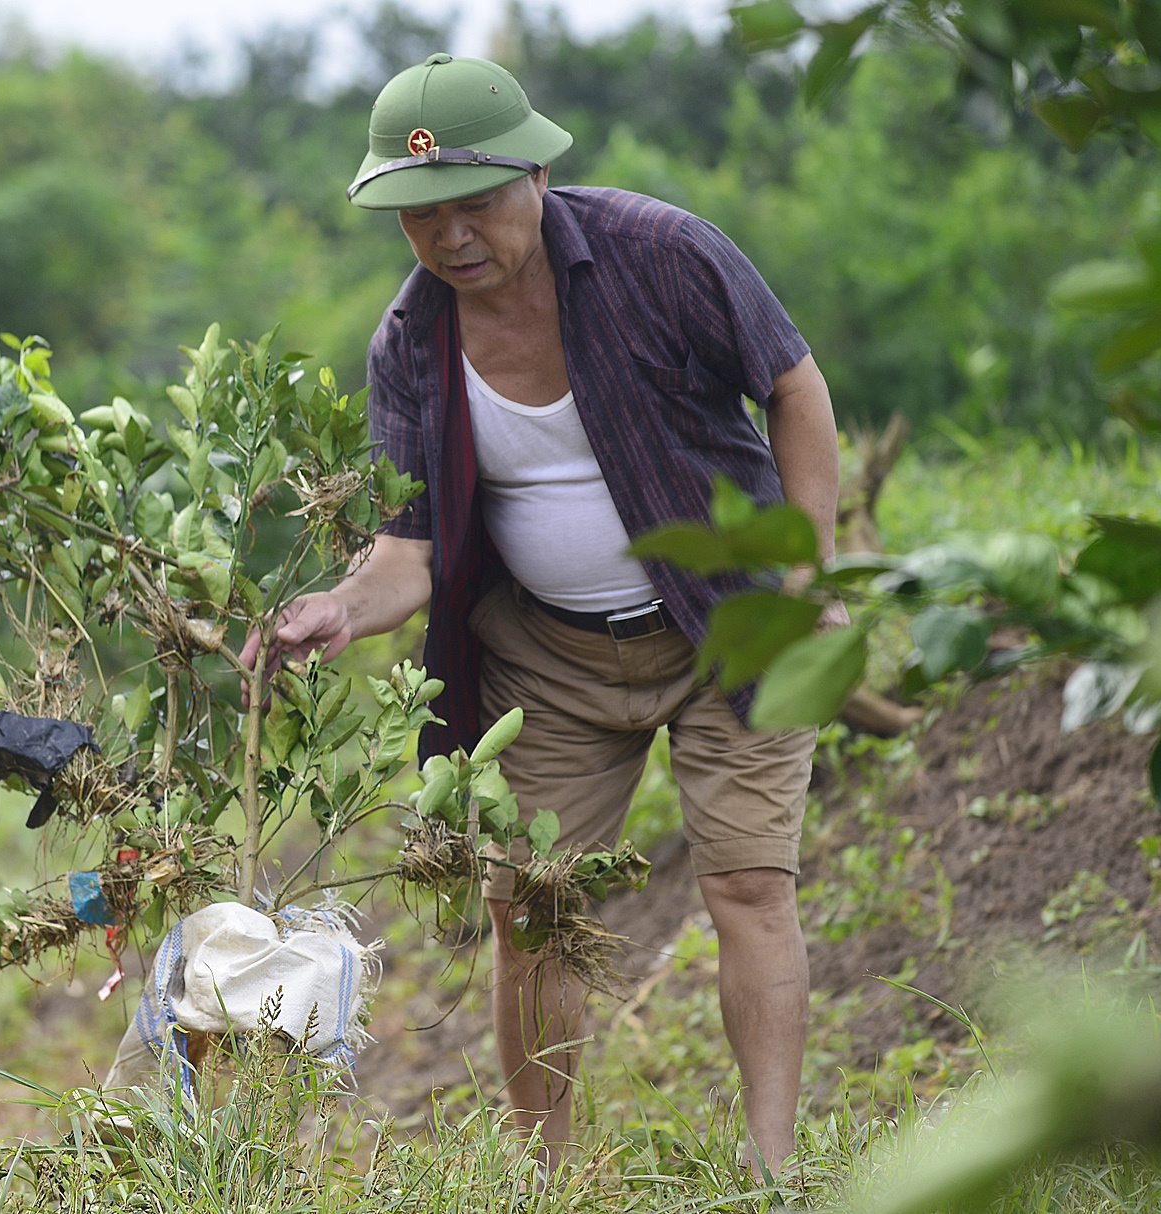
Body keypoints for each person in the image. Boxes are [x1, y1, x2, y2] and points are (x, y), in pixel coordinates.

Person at [239, 53, 843, 1173]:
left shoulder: (661, 254)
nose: (452, 235)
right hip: (549, 660)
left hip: (732, 622)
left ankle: (775, 1165)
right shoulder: (409, 343)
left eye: (475, 201)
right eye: (423, 214)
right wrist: (337, 609)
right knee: (534, 911)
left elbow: (794, 386)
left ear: (537, 175)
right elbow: (407, 554)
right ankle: (546, 1174)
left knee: (749, 885)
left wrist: (808, 579)